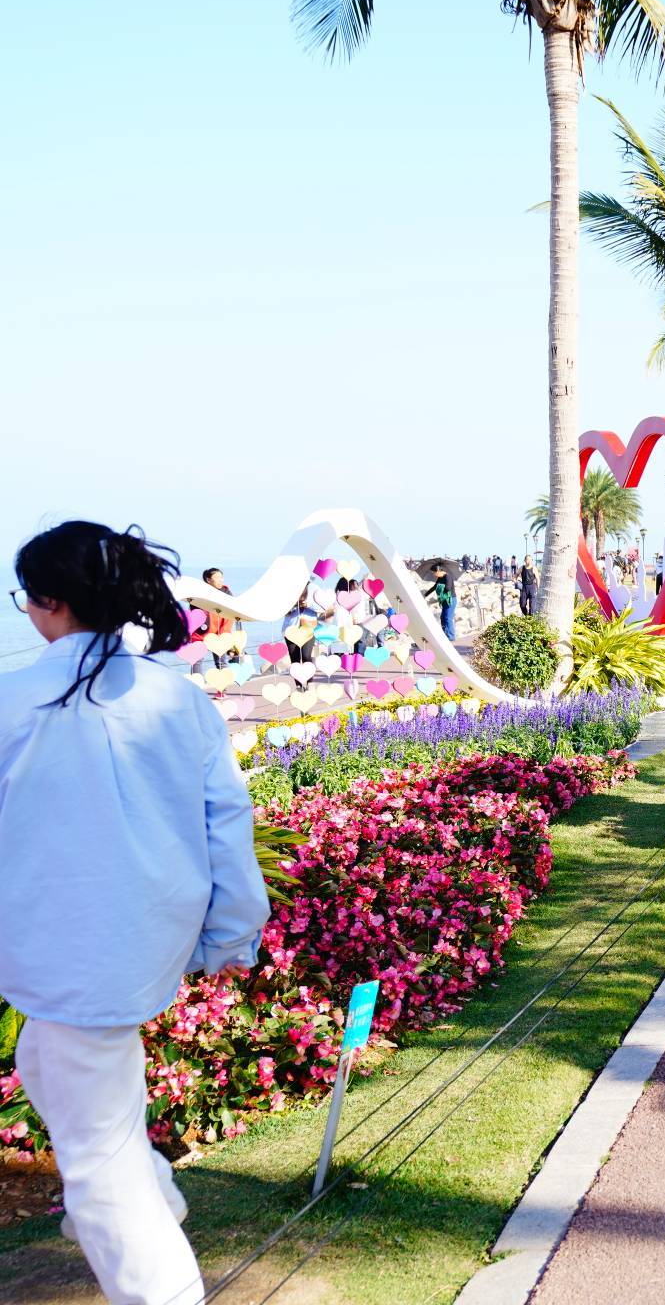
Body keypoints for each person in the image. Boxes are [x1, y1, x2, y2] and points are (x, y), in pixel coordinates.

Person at [2, 522, 268, 1305]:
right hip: (142, 934)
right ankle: (152, 1193)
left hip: (65, 943)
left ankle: (156, 1270)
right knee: (46, 1065)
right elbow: (227, 820)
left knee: (97, 1160)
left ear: (48, 603)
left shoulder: (13, 699)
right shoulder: (177, 698)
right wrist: (230, 933)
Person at [425, 563, 457, 641]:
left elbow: (448, 588)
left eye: (434, 572)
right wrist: (425, 594)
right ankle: (445, 635)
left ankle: (451, 636)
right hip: (444, 600)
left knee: (448, 617)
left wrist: (440, 587)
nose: (434, 574)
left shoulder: (448, 577)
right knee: (442, 617)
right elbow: (435, 587)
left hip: (451, 599)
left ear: (439, 570)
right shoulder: (440, 578)